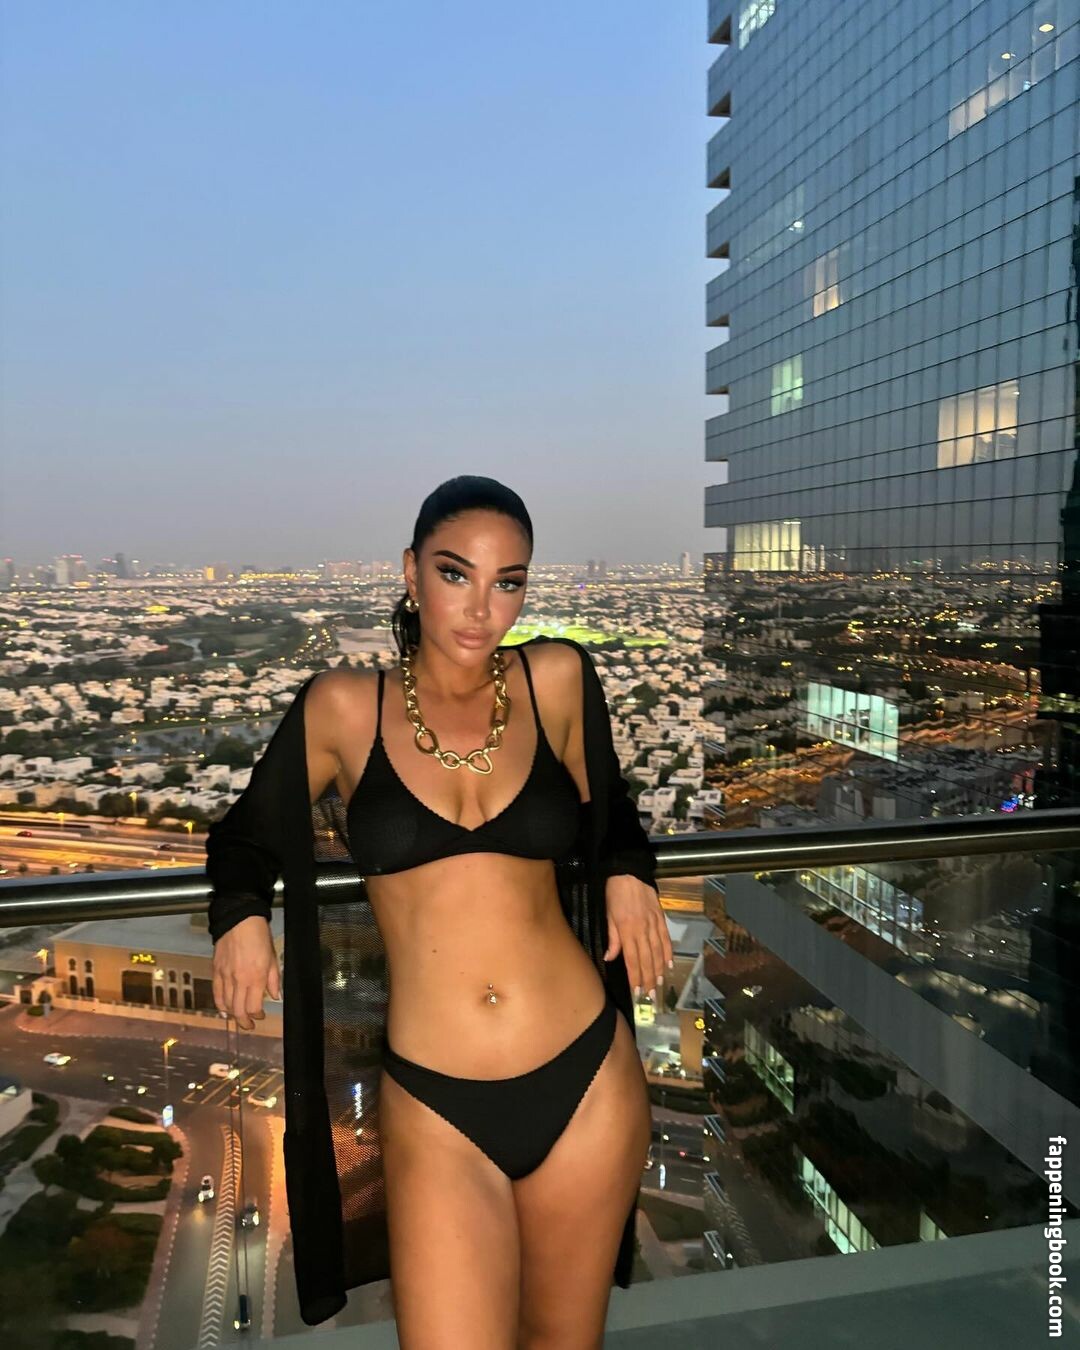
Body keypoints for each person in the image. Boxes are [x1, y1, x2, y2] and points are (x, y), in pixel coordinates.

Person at [207, 474, 669, 1346]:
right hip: (436, 1103)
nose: (481, 608)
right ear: (411, 572)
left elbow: (613, 814)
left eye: (508, 582)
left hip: (585, 1076)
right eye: (457, 573)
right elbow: (244, 837)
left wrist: (626, 872)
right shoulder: (345, 706)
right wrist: (240, 916)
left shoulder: (558, 679)